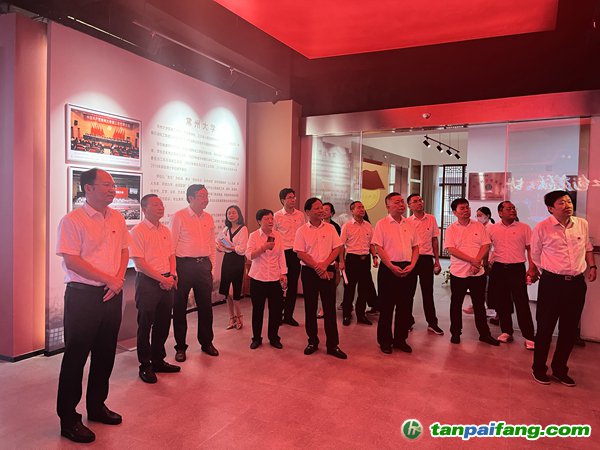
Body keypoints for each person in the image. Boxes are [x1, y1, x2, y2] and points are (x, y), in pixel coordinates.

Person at [56, 168, 128, 443]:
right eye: (106, 184)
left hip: (112, 293)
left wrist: (117, 280)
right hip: (83, 296)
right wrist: (109, 279)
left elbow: (124, 250)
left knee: (105, 354)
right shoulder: (72, 220)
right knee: (75, 358)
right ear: (88, 188)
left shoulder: (117, 217)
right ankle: (68, 419)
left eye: (113, 185)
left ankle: (97, 406)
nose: (112, 189)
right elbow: (71, 260)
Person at [530, 190, 596, 386]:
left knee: (569, 329)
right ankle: (538, 368)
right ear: (551, 208)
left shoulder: (582, 224)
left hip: (576, 284)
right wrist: (547, 271)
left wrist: (592, 266)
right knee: (545, 327)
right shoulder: (542, 227)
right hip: (552, 283)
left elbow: (587, 247)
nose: (567, 205)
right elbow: (535, 254)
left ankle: (560, 369)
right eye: (561, 203)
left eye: (568, 201)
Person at [129, 194, 180, 384]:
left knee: (163, 323)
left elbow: (171, 255)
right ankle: (145, 365)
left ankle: (158, 360)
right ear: (144, 209)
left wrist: (172, 275)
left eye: (161, 204)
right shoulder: (137, 231)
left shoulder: (165, 230)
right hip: (148, 283)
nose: (161, 207)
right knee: (145, 325)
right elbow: (140, 263)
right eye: (156, 205)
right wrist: (162, 279)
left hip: (167, 281)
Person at [294, 198, 347, 359]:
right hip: (309, 271)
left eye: (321, 208)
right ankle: (312, 342)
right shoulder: (302, 230)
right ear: (308, 212)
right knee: (310, 308)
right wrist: (317, 267)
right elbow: (300, 253)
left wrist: (324, 265)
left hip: (327, 269)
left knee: (329, 308)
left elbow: (337, 248)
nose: (321, 210)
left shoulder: (330, 228)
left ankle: (333, 345)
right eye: (316, 208)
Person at [171, 184, 219, 362]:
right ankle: (180, 347)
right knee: (179, 308)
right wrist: (173, 271)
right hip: (183, 266)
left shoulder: (208, 217)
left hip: (203, 266)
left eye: (206, 195)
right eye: (201, 196)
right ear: (190, 198)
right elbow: (172, 245)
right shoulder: (179, 216)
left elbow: (211, 244)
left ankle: (206, 342)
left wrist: (211, 267)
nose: (206, 199)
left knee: (206, 307)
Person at [444, 198, 499, 346]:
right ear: (455, 212)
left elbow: (485, 245)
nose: (466, 210)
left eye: (467, 207)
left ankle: (484, 334)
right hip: (459, 272)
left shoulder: (479, 226)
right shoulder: (451, 229)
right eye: (462, 208)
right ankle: (455, 332)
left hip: (477, 272)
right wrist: (472, 260)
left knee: (479, 304)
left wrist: (477, 261)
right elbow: (451, 249)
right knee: (456, 303)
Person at [372, 193, 419, 354]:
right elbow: (379, 247)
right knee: (386, 307)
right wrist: (391, 266)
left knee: (405, 306)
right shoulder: (382, 224)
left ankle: (400, 339)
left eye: (402, 202)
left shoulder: (410, 223)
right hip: (389, 268)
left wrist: (412, 265)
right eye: (397, 202)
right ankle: (385, 341)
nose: (401, 204)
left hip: (408, 268)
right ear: (388, 206)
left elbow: (416, 247)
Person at [487, 201, 537, 349]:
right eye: (508, 209)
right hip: (498, 268)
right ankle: (506, 331)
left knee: (521, 302)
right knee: (502, 302)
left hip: (517, 268)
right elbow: (486, 247)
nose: (513, 211)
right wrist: (486, 263)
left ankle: (529, 336)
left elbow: (530, 249)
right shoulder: (492, 228)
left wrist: (532, 267)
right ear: (500, 213)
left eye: (514, 208)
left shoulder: (524, 228)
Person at [246, 209, 287, 349]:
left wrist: (284, 273)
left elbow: (281, 256)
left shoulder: (278, 235)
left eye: (271, 218)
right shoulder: (253, 236)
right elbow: (249, 255)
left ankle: (274, 337)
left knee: (275, 310)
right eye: (266, 219)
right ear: (259, 221)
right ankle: (256, 338)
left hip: (275, 278)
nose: (270, 221)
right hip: (258, 278)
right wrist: (263, 248)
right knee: (258, 310)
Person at [406, 194, 444, 335]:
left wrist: (437, 260)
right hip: (411, 259)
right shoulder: (407, 222)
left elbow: (434, 240)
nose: (419, 203)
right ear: (409, 206)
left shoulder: (431, 219)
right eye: (415, 201)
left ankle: (432, 323)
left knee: (428, 292)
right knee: (408, 292)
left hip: (427, 260)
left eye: (420, 200)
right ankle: (408, 321)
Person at [340, 201, 378, 326]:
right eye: (359, 207)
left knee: (364, 289)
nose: (362, 209)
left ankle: (361, 315)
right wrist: (341, 261)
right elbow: (341, 245)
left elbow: (371, 244)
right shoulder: (347, 226)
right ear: (352, 211)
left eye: (363, 207)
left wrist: (375, 256)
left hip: (365, 260)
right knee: (349, 289)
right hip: (352, 260)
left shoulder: (368, 226)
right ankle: (347, 314)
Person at [274, 188, 306, 326]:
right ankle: (277, 315)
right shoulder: (277, 216)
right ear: (283, 200)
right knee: (279, 285)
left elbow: (304, 233)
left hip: (296, 253)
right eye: (290, 197)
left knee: (292, 286)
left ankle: (288, 316)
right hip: (282, 253)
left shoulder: (300, 215)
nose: (293, 200)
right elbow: (273, 235)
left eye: (294, 197)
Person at [216, 205, 248, 330]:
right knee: (226, 292)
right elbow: (220, 244)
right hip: (227, 261)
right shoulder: (226, 229)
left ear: (239, 214)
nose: (231, 215)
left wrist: (230, 247)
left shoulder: (243, 229)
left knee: (234, 292)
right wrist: (220, 247)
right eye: (229, 213)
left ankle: (239, 316)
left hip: (237, 261)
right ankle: (231, 317)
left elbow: (242, 249)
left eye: (234, 212)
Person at [464, 206, 496, 315]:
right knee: (480, 287)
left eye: (480, 215)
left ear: (488, 216)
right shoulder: (478, 227)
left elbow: (490, 247)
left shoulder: (491, 228)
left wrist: (487, 261)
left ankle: (490, 309)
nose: (478, 217)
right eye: (477, 215)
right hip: (479, 260)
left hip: (489, 260)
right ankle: (477, 306)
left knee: (487, 287)